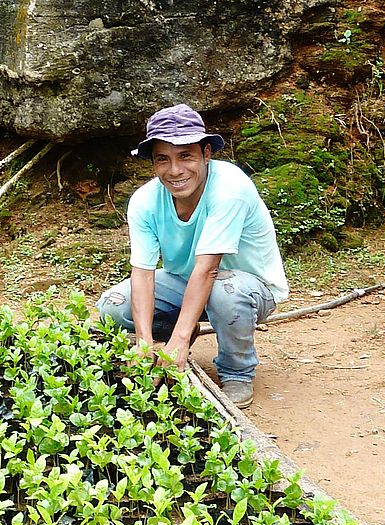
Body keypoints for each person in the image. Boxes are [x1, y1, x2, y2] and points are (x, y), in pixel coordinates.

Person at [97, 104, 289, 409]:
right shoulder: (144, 202)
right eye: (163, 159)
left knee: (226, 292)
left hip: (247, 288)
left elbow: (209, 269)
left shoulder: (230, 189)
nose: (175, 170)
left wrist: (181, 340)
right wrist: (144, 341)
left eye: (185, 155)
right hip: (185, 282)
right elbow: (143, 273)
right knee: (113, 307)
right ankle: (174, 336)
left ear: (206, 154)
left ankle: (236, 371)